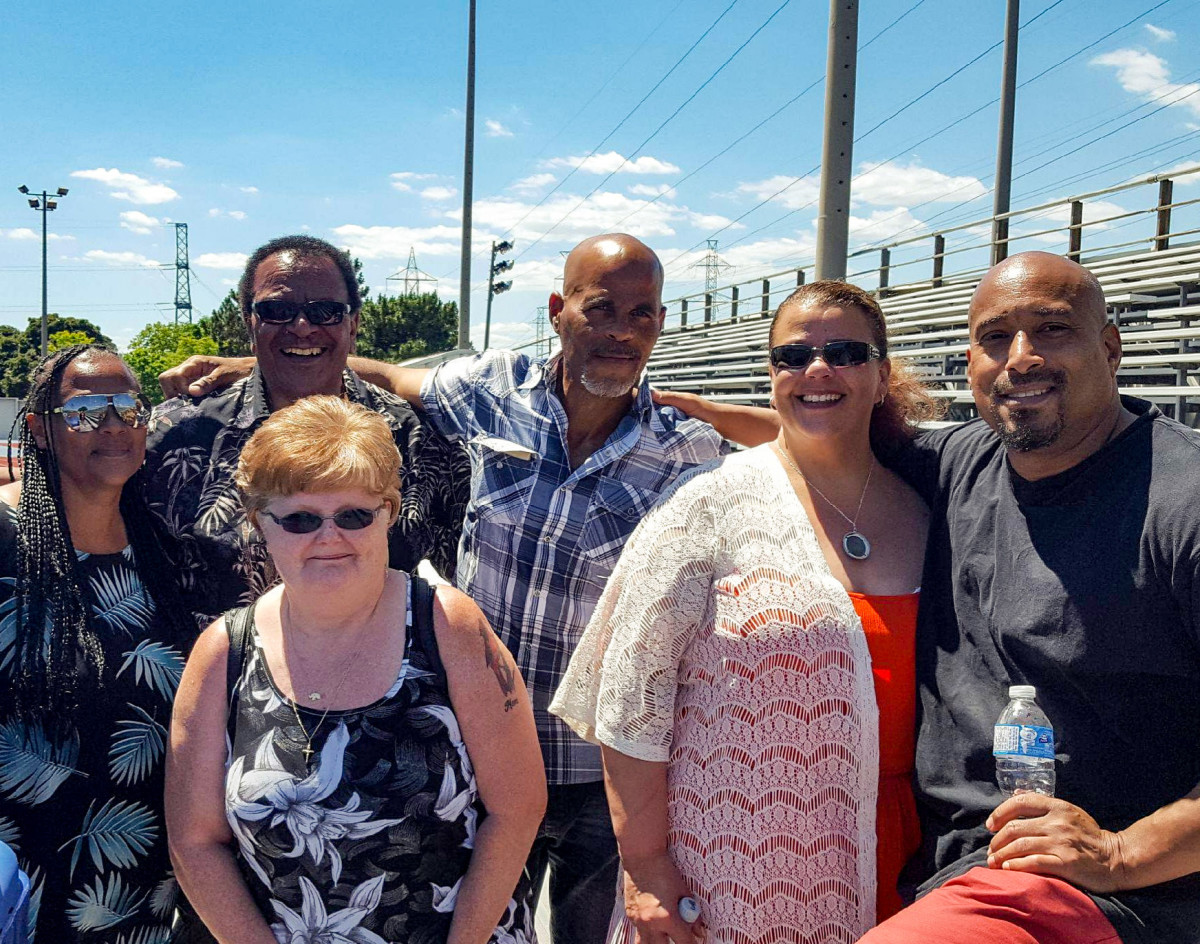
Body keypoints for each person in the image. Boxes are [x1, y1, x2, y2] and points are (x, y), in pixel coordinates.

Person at [160, 233, 730, 943]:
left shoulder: (688, 451)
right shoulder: (490, 393)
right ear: (558, 310)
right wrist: (263, 357)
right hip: (401, 755)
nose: (619, 330)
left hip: (587, 763)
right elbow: (390, 373)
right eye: (600, 308)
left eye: (640, 314)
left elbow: (807, 446)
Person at [666, 253, 1200, 942]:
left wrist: (1122, 854)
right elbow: (829, 431)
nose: (1022, 357)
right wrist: (689, 410)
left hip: (1099, 896)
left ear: (1111, 347)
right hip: (940, 866)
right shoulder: (961, 464)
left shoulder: (1181, 503)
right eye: (995, 337)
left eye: (1054, 330)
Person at [550, 281, 938, 943]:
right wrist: (644, 865)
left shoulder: (931, 508)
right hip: (739, 860)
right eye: (793, 356)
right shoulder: (710, 505)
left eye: (844, 352)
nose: (817, 369)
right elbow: (628, 697)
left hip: (911, 851)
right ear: (772, 376)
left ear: (881, 374)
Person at [166, 396, 546, 944]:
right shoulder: (223, 652)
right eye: (299, 518)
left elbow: (517, 809)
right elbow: (195, 842)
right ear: (258, 524)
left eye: (354, 515)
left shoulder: (447, 626)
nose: (329, 537)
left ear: (388, 513)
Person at [143, 234, 469, 628]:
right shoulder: (176, 435)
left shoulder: (420, 438)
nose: (301, 327)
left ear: (354, 324)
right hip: (220, 681)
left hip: (393, 681)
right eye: (277, 310)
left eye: (325, 312)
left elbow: (454, 578)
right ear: (249, 321)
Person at [0, 345, 196, 943]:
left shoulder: (164, 552)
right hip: (24, 881)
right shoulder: (5, 541)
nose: (112, 425)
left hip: (150, 884)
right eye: (86, 409)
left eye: (127, 409)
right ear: (40, 429)